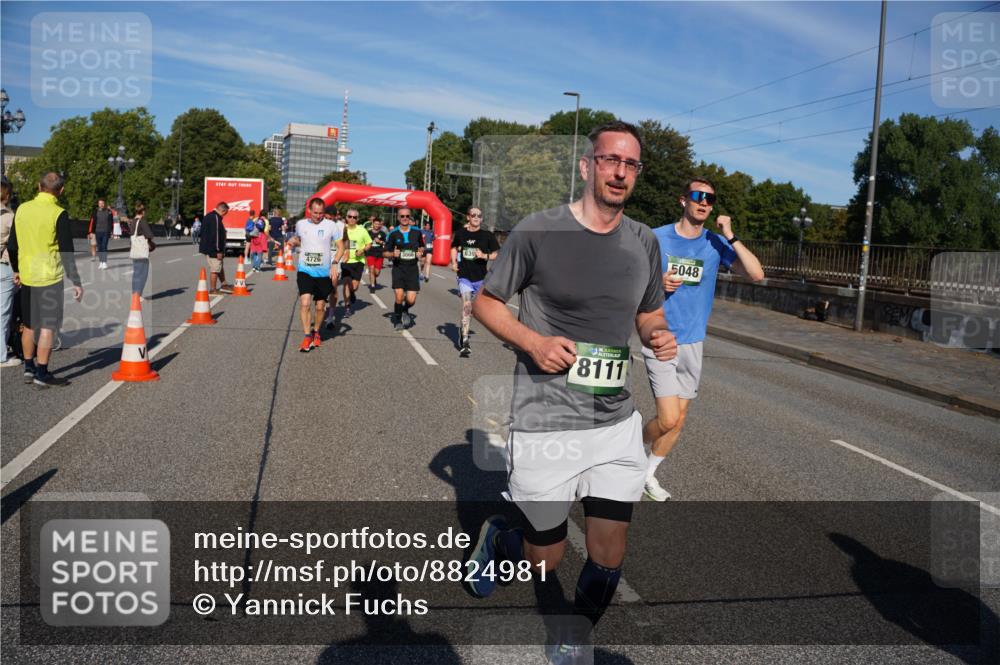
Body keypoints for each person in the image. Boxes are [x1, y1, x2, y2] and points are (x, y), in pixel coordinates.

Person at [468, 121, 677, 661]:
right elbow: (487, 302)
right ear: (587, 166)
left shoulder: (644, 242)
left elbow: (649, 310)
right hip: (546, 421)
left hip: (614, 423)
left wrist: (656, 334)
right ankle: (502, 536)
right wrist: (533, 343)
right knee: (547, 557)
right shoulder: (540, 230)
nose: (620, 172)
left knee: (609, 554)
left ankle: (572, 636)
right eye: (610, 160)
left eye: (631, 165)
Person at [640, 178, 765, 501]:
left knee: (678, 420)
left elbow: (756, 274)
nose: (705, 202)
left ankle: (646, 473)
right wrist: (657, 284)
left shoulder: (714, 244)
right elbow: (630, 279)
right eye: (698, 196)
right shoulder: (657, 237)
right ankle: (627, 451)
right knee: (667, 418)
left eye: (710, 198)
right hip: (660, 336)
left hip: (694, 342)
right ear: (683, 200)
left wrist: (731, 236)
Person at [7, 172, 85, 388]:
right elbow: (66, 251)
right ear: (61, 190)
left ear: (38, 186)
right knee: (48, 327)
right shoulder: (58, 213)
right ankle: (42, 373)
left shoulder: (22, 209)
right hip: (49, 277)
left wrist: (17, 270)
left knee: (29, 326)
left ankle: (29, 368)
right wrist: (76, 281)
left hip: (28, 276)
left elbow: (12, 245)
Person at [289, 198, 341, 353]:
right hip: (305, 270)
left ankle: (316, 331)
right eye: (315, 213)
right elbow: (300, 240)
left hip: (323, 272)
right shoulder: (301, 224)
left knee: (320, 306)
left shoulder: (331, 225)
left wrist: (334, 262)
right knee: (305, 303)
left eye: (321, 213)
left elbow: (341, 247)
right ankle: (307, 335)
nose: (318, 216)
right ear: (309, 210)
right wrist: (294, 241)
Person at [450, 207, 499, 357]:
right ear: (468, 217)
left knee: (479, 309)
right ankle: (464, 340)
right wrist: (453, 262)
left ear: (482, 219)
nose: (477, 217)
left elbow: (496, 254)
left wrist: (484, 255)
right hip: (464, 276)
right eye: (474, 215)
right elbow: (453, 247)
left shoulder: (487, 236)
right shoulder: (460, 234)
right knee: (467, 306)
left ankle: (462, 330)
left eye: (479, 215)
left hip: (481, 278)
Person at [384, 208, 424, 331]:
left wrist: (420, 252)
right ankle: (397, 320)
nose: (405, 218)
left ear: (410, 217)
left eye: (407, 216)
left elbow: (422, 247)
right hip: (398, 268)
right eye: (402, 216)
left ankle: (405, 309)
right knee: (399, 296)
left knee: (411, 299)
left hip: (412, 269)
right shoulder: (393, 233)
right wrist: (392, 255)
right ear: (398, 218)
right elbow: (384, 253)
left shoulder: (417, 232)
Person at [1, 178, 20, 367]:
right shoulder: (8, 216)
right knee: (4, 311)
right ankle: (1, 355)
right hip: (4, 264)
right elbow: (15, 244)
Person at [339, 209, 371, 316]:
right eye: (350, 216)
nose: (352, 219)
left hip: (358, 261)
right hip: (345, 261)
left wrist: (362, 250)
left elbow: (368, 244)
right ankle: (347, 307)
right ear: (346, 217)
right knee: (346, 284)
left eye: (355, 217)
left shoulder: (362, 230)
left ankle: (352, 293)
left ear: (358, 219)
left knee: (354, 286)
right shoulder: (341, 229)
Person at [199, 202, 233, 295]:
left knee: (219, 266)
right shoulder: (215, 218)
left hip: (208, 247)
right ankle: (213, 289)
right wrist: (218, 250)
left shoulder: (209, 216)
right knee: (215, 269)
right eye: (225, 213)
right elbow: (216, 235)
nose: (224, 215)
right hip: (213, 249)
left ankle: (224, 284)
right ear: (223, 210)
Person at [129, 202, 155, 299]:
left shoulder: (133, 221)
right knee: (143, 273)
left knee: (136, 272)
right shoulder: (142, 221)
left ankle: (134, 293)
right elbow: (149, 234)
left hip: (135, 250)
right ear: (143, 211)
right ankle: (138, 295)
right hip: (141, 251)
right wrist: (150, 243)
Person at [89, 199, 113, 269]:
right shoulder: (95, 212)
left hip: (105, 232)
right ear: (98, 204)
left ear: (104, 204)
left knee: (104, 246)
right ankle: (101, 262)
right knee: (99, 247)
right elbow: (92, 222)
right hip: (97, 232)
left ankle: (104, 262)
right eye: (100, 203)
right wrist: (90, 232)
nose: (101, 205)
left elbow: (111, 223)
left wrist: (111, 232)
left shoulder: (109, 212)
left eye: (102, 203)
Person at [365, 218, 387, 292]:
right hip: (370, 253)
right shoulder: (368, 233)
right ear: (373, 224)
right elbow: (364, 242)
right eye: (375, 224)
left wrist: (380, 242)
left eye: (378, 224)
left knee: (377, 272)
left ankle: (374, 279)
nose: (377, 225)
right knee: (371, 269)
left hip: (379, 254)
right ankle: (372, 286)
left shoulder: (383, 234)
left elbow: (386, 244)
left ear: (380, 225)